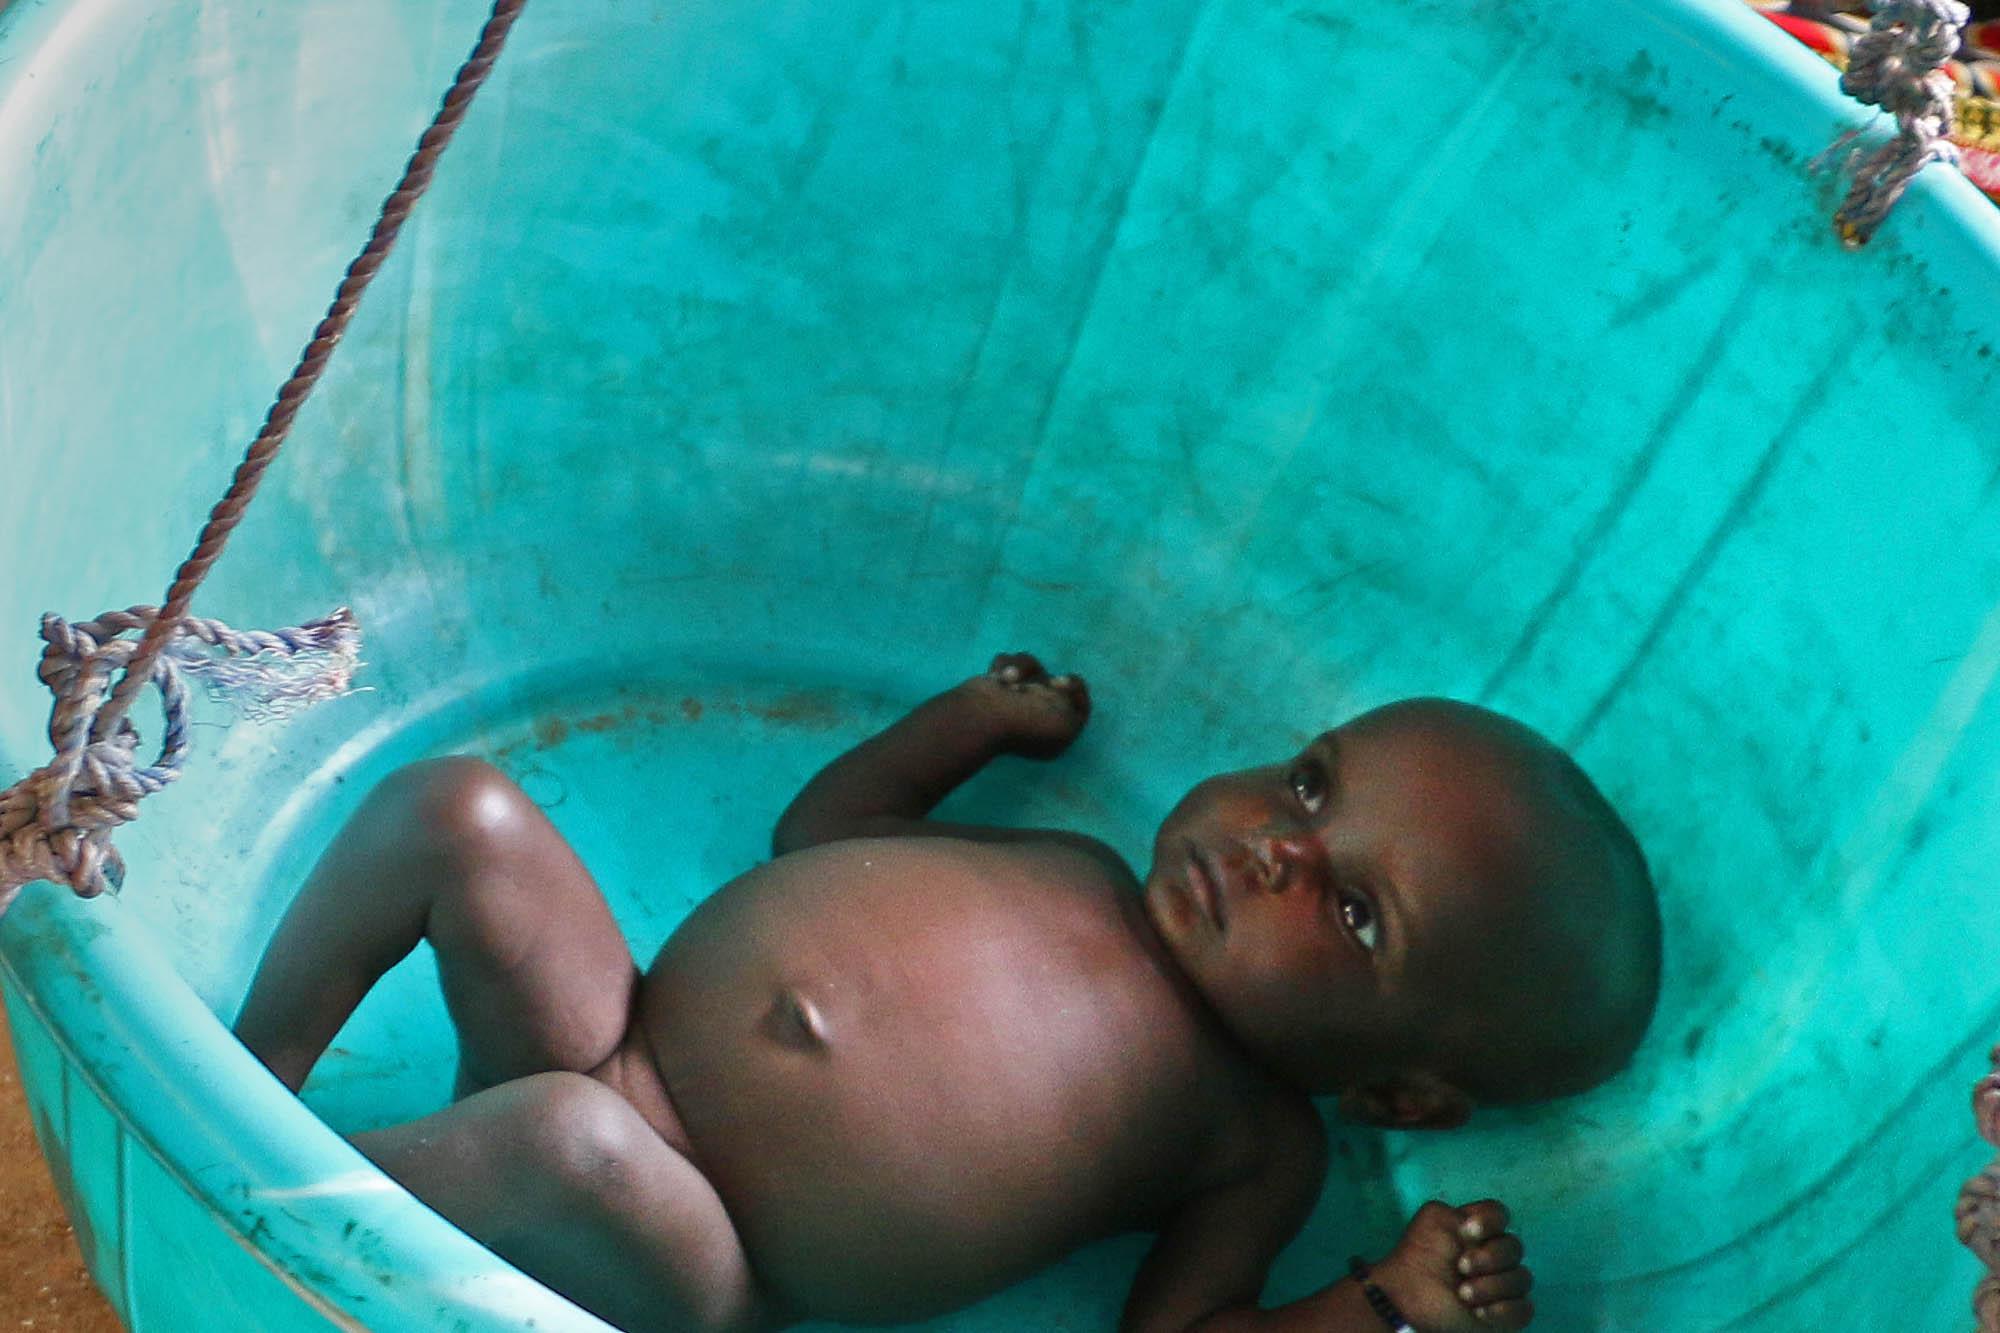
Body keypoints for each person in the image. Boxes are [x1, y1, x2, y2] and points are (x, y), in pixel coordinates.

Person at [233, 653, 1661, 1333]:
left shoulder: (1254, 1136)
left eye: (1351, 910)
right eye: (1308, 783)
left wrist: (1385, 1309)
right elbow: (825, 833)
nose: (1276, 846)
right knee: (463, 813)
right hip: (615, 1020)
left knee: (571, 1141)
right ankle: (241, 1081)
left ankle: (249, 1204)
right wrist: (969, 725)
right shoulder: (1079, 857)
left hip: (705, 1258)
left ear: (1403, 1088)